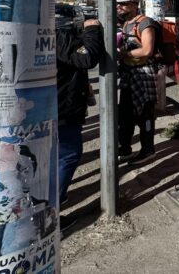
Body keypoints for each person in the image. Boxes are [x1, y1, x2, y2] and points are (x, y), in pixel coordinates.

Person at [56, 17, 103, 224]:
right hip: (62, 110)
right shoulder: (59, 36)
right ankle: (52, 211)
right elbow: (87, 58)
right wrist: (92, 30)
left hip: (54, 106)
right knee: (68, 155)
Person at [115, 0, 160, 165]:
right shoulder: (126, 23)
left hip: (143, 73)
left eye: (123, 4)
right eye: (118, 4)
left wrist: (123, 54)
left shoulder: (145, 23)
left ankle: (148, 150)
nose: (119, 7)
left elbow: (147, 50)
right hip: (129, 73)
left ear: (134, 5)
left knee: (145, 114)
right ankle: (125, 149)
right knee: (125, 114)